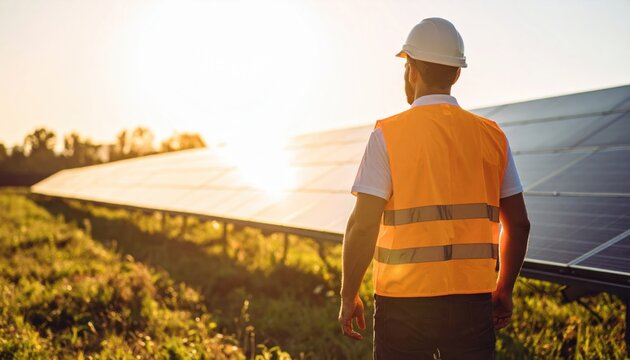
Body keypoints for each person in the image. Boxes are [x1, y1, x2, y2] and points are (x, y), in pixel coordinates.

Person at [338, 18, 531, 359]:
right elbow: (518, 224)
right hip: (473, 302)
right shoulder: (493, 136)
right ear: (457, 74)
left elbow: (363, 225)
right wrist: (504, 288)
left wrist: (347, 294)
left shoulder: (387, 135)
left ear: (410, 69)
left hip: (403, 303)